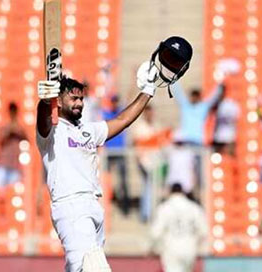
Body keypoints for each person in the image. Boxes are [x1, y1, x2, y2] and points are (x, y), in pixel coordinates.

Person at [36, 36, 193, 272]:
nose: (79, 103)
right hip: (71, 206)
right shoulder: (53, 132)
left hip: (92, 205)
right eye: (73, 98)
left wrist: (148, 90)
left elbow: (123, 120)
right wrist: (43, 102)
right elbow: (43, 122)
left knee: (79, 268)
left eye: (81, 98)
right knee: (93, 267)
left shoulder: (88, 131)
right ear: (59, 100)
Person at [150, 183, 208, 272]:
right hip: (189, 248)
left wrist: (152, 246)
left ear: (170, 192)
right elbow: (204, 230)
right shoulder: (194, 207)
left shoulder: (165, 208)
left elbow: (156, 232)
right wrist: (196, 242)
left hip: (171, 248)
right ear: (182, 192)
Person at [131, 104, 167, 222]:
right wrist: (140, 160)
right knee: (147, 187)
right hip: (145, 162)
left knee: (153, 187)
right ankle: (146, 214)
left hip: (155, 162)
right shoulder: (140, 127)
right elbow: (137, 144)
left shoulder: (156, 126)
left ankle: (151, 212)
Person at [102, 94, 129, 215]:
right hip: (109, 152)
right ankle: (108, 202)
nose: (115, 104)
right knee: (106, 179)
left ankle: (124, 205)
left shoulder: (120, 114)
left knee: (123, 180)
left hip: (119, 151)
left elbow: (129, 98)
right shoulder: (106, 114)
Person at [0, 102, 27, 189]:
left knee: (14, 194)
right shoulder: (4, 125)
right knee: (0, 193)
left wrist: (16, 130)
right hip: (3, 164)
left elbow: (26, 138)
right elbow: (1, 140)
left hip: (15, 165)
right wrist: (10, 131)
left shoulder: (19, 126)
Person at [212, 83, 240, 156]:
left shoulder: (230, 104)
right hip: (217, 136)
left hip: (229, 135)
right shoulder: (214, 104)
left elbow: (235, 119)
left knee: (230, 156)